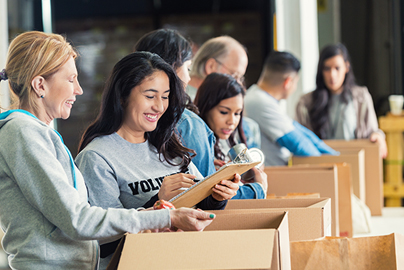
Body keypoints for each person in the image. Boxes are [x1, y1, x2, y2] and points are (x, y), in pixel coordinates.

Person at [0, 31, 216, 270]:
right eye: (71, 80)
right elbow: (78, 219)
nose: (79, 90)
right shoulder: (22, 132)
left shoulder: (38, 133)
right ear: (40, 84)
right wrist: (166, 216)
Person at [75, 51, 240, 269]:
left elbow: (201, 207)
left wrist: (218, 194)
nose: (160, 107)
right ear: (122, 96)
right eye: (150, 96)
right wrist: (157, 202)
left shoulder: (168, 144)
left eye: (165, 96)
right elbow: (103, 243)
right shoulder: (97, 157)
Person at [133, 28, 215, 177]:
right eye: (188, 68)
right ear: (171, 68)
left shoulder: (126, 117)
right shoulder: (188, 123)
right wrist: (257, 188)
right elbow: (208, 190)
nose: (189, 78)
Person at [244, 51, 338, 166]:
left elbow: (300, 131)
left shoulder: (262, 98)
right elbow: (298, 144)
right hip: (273, 177)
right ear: (288, 82)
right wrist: (330, 163)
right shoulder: (259, 102)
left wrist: (333, 155)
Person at [295, 43, 387, 158]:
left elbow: (372, 132)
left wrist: (379, 136)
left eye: (337, 68)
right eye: (327, 69)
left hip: (354, 160)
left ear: (346, 67)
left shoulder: (361, 97)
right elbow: (299, 138)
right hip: (321, 164)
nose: (332, 75)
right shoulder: (306, 102)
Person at [194, 73, 268, 199]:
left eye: (237, 113)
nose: (232, 121)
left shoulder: (228, 142)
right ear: (206, 107)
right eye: (224, 112)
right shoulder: (194, 144)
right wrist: (258, 189)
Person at [188, 35, 261, 149]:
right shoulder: (186, 104)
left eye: (240, 79)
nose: (238, 84)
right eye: (234, 75)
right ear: (211, 66)